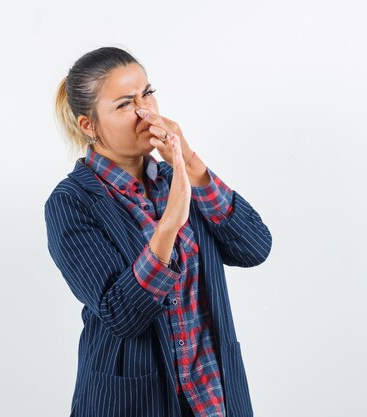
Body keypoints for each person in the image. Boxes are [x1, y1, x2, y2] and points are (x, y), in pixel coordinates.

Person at [44, 46, 272, 417]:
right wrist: (167, 229)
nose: (145, 112)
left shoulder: (178, 179)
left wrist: (191, 165)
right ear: (89, 125)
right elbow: (120, 314)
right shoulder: (71, 202)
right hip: (131, 402)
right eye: (124, 104)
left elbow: (255, 247)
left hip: (213, 396)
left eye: (147, 94)